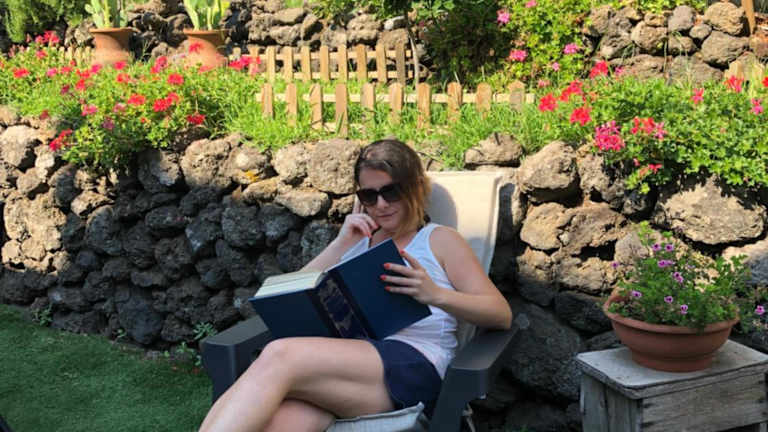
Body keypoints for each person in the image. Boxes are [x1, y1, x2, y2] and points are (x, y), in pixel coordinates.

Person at [199, 139, 512, 432]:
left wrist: (436, 295)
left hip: (414, 368)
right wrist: (341, 243)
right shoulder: (358, 242)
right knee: (284, 419)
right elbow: (286, 293)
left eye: (391, 192)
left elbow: (500, 313)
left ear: (416, 187)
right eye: (368, 196)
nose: (380, 205)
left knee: (279, 355)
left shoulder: (439, 240)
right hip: (352, 367)